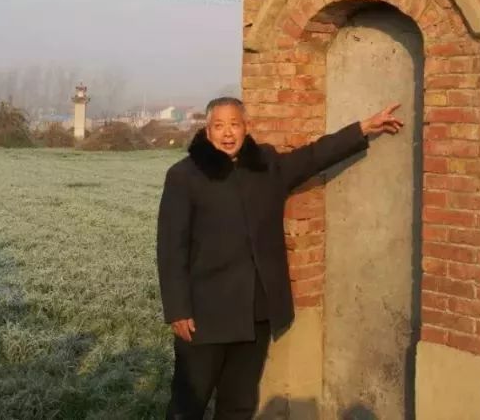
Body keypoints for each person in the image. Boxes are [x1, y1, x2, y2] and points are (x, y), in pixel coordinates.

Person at [156, 96, 403, 420]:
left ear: (246, 128)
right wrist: (178, 309)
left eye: (234, 124)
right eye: (219, 126)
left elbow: (313, 156)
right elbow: (170, 246)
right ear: (207, 130)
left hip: (254, 312)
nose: (227, 133)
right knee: (188, 405)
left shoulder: (266, 166)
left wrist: (363, 128)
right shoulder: (184, 176)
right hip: (205, 315)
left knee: (239, 405)